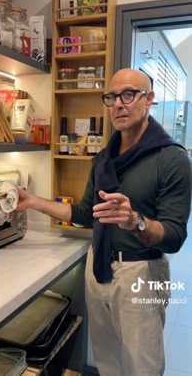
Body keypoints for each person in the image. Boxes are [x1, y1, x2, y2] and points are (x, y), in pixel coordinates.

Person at [16, 68, 191, 376]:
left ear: (149, 99)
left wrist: (135, 221)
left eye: (129, 95)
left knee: (142, 366)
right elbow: (85, 212)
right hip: (98, 269)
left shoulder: (172, 159)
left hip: (140, 272)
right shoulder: (103, 158)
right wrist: (34, 203)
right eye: (112, 97)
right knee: (107, 363)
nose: (118, 104)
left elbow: (175, 236)